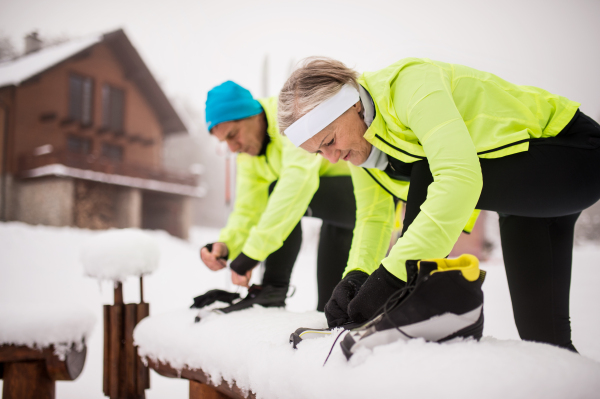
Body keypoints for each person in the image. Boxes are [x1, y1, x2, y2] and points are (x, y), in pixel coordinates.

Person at [277, 57, 600, 353]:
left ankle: (413, 301)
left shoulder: (410, 85)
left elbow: (456, 176)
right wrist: (356, 278)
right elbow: (373, 218)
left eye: (330, 141)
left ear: (352, 106)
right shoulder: (364, 149)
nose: (332, 158)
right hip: (529, 199)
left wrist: (392, 279)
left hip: (573, 154)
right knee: (545, 344)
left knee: (429, 168)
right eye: (319, 152)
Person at [199, 81, 356, 313]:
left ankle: (273, 289)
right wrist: (226, 245)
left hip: (367, 196)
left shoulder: (289, 119)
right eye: (225, 142)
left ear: (253, 115)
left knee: (280, 192)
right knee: (329, 309)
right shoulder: (249, 156)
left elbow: (297, 185)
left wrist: (252, 254)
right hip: (338, 220)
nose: (233, 148)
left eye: (233, 135)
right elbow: (248, 209)